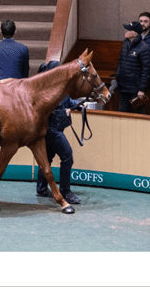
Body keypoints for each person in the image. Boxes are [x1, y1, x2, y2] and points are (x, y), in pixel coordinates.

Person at [35, 60, 84, 205]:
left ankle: (42, 188)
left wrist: (78, 104)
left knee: (48, 158)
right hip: (52, 129)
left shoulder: (60, 87)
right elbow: (48, 110)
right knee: (67, 156)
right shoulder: (46, 90)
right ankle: (65, 191)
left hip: (57, 127)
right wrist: (64, 111)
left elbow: (67, 102)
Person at [115, 21, 150, 113]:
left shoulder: (144, 47)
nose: (125, 31)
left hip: (135, 88)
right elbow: (121, 61)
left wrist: (141, 89)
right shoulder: (125, 43)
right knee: (122, 112)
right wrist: (118, 76)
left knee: (138, 115)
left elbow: (146, 70)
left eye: (128, 30)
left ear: (135, 33)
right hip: (123, 85)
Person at [0, 20, 30, 84]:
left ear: (0, 31)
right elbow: (25, 71)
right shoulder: (23, 49)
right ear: (15, 31)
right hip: (16, 86)